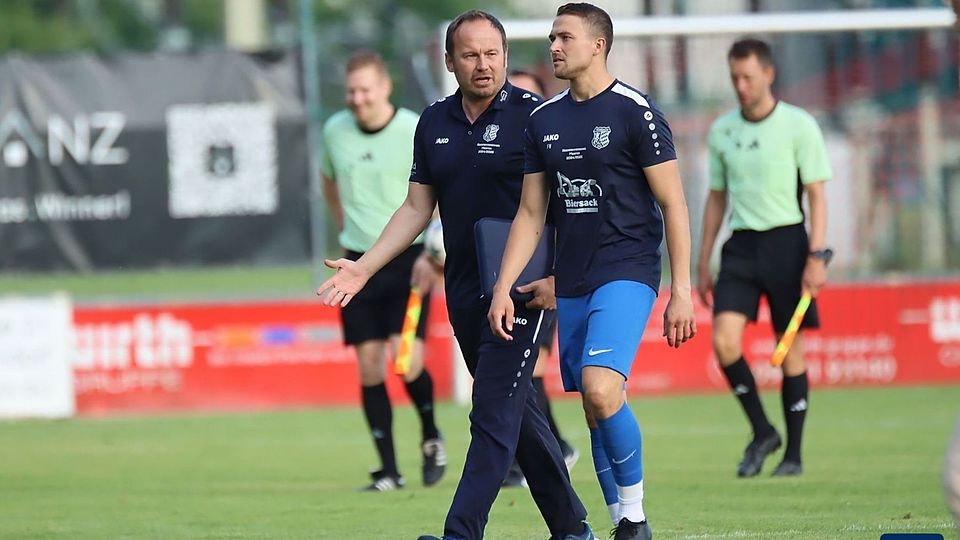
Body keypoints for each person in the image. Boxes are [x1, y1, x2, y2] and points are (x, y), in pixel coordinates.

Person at [317, 11, 594, 540]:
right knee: (521, 417)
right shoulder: (434, 122)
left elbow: (570, 203)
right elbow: (417, 208)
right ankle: (572, 528)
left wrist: (562, 275)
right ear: (449, 62)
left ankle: (460, 533)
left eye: (492, 53)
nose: (483, 64)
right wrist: (365, 267)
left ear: (506, 57)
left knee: (490, 410)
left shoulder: (537, 116)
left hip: (523, 291)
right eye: (470, 54)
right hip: (464, 291)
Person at [488, 4, 697, 540]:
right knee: (593, 405)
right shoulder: (544, 120)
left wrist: (683, 290)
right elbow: (532, 213)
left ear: (598, 44)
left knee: (602, 389)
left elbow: (673, 203)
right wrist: (501, 288)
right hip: (571, 280)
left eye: (564, 37)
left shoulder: (636, 111)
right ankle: (621, 523)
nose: (554, 46)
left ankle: (635, 516)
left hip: (627, 269)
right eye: (552, 37)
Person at [696, 38, 831, 478]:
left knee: (790, 350)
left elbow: (816, 194)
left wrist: (818, 255)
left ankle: (793, 454)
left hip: (789, 245)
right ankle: (762, 431)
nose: (740, 86)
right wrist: (703, 258)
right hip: (741, 247)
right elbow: (716, 198)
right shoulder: (722, 131)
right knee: (724, 341)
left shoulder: (799, 125)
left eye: (748, 77)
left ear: (768, 75)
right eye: (734, 77)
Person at [320, 50, 446, 492]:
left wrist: (435, 256)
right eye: (351, 91)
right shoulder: (334, 130)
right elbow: (329, 180)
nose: (357, 98)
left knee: (404, 358)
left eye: (365, 89)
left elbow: (438, 194)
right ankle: (389, 471)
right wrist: (344, 226)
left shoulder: (416, 128)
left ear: (385, 88)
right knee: (370, 366)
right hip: (356, 261)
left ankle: (432, 435)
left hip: (407, 260)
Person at [501, 68, 580, 489]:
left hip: (548, 273)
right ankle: (552, 448)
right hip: (505, 275)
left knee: (529, 367)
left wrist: (558, 273)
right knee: (509, 370)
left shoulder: (559, 150)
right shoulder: (502, 155)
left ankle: (542, 453)